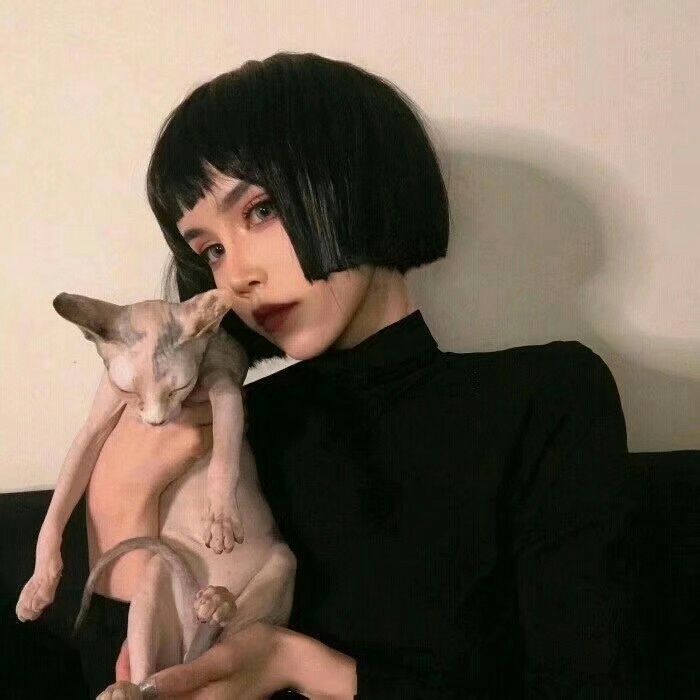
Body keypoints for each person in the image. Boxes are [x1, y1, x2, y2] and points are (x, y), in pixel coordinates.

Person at [89, 52, 648, 698]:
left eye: (262, 210)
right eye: (211, 249)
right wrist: (118, 498)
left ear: (355, 181)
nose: (237, 275)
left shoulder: (544, 398)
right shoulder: (230, 431)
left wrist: (297, 665)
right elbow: (127, 677)